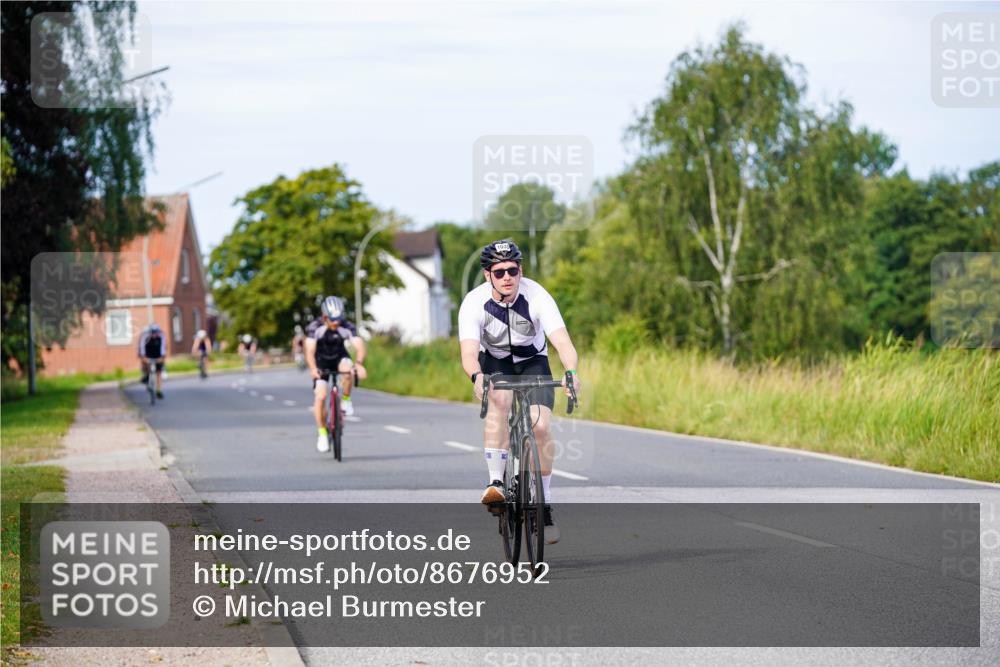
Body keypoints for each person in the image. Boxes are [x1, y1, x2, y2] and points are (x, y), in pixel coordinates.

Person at [458, 240, 581, 545]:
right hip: (494, 362)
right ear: (488, 275)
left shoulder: (537, 295)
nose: (507, 277)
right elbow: (469, 351)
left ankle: (546, 504)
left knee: (540, 425)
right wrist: (477, 376)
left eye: (513, 270)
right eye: (499, 272)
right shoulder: (474, 303)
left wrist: (571, 372)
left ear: (520, 270)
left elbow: (563, 343)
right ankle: (497, 482)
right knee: (499, 399)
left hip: (533, 362)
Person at [304, 296, 368, 452]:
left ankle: (345, 399)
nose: (336, 323)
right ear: (324, 316)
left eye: (339, 319)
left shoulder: (347, 326)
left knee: (348, 370)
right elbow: (309, 351)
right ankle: (322, 433)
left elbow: (359, 346)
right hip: (321, 361)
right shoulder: (315, 327)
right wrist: (313, 368)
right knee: (320, 396)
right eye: (332, 319)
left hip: (339, 357)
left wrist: (359, 364)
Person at [138, 323, 167, 399]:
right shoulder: (145, 337)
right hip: (148, 354)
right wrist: (144, 357)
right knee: (145, 363)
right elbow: (142, 348)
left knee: (158, 373)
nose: (154, 334)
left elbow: (163, 348)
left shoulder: (161, 336)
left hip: (157, 354)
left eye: (156, 332)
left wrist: (162, 357)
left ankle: (158, 390)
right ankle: (146, 376)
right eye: (152, 332)